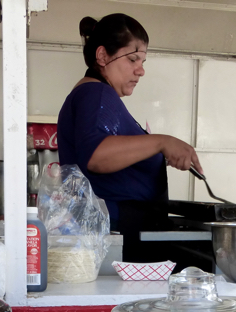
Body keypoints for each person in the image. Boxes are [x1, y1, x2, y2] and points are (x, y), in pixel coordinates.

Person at [57, 13, 202, 261]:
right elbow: (96, 155)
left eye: (143, 60)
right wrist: (161, 141)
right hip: (121, 234)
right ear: (102, 56)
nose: (141, 70)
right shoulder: (96, 94)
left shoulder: (97, 96)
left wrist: (154, 155)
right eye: (133, 58)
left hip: (123, 231)